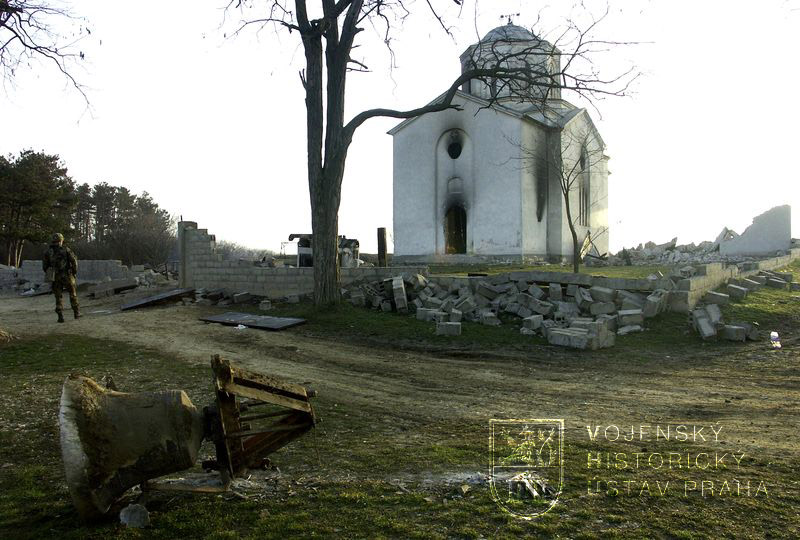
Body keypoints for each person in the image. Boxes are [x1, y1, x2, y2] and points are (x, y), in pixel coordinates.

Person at [42, 233, 80, 323]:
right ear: (61, 240)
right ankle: (76, 313)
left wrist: (50, 274)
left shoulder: (48, 252)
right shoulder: (66, 250)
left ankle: (60, 316)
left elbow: (44, 266)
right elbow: (74, 262)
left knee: (58, 297)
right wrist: (74, 272)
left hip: (55, 277)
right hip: (67, 275)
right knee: (72, 294)